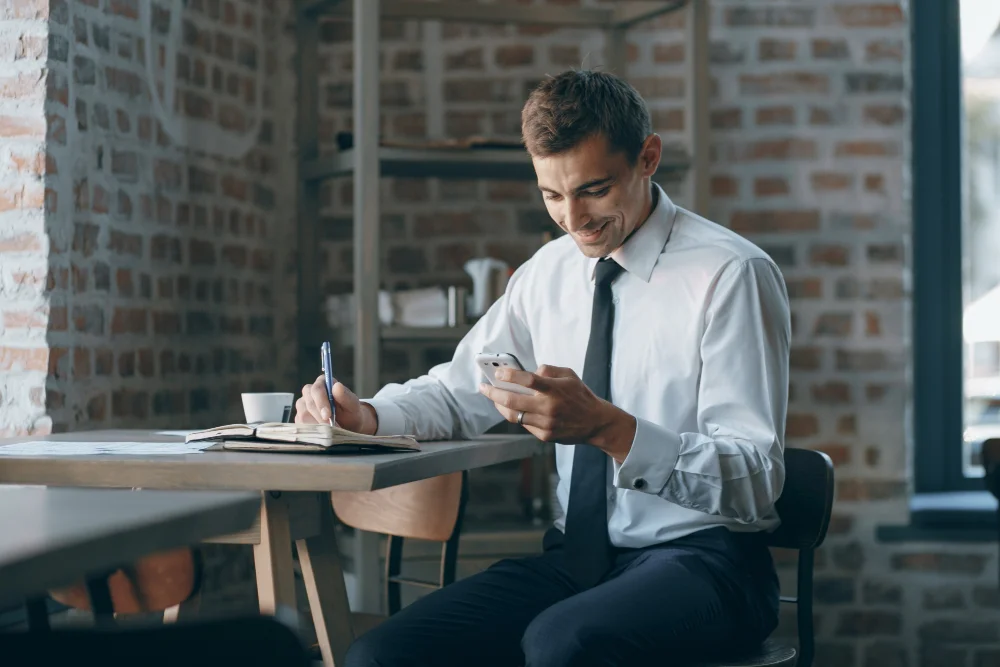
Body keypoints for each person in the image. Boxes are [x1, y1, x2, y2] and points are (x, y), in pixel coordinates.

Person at [297, 70, 790, 667]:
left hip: (708, 563)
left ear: (648, 158)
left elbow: (757, 478)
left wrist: (610, 428)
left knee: (562, 645)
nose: (574, 219)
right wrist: (368, 416)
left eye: (595, 190)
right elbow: (461, 394)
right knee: (381, 655)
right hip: (575, 563)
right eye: (552, 196)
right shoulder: (547, 273)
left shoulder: (731, 274)